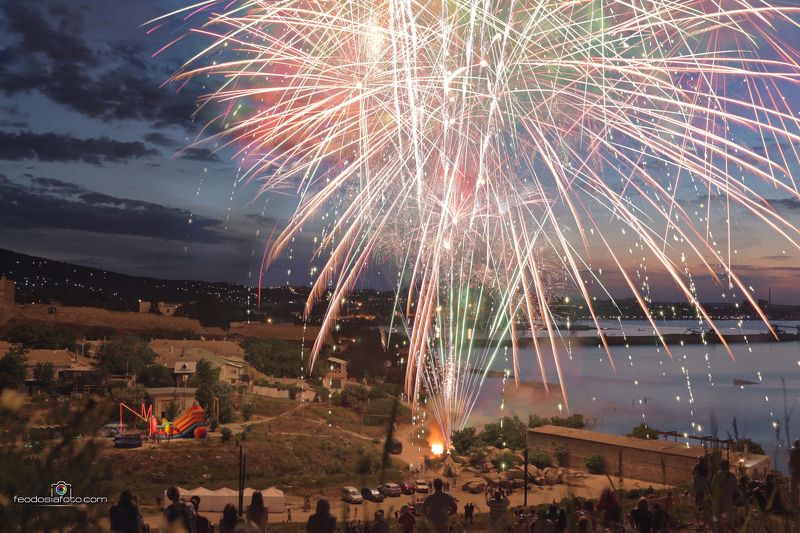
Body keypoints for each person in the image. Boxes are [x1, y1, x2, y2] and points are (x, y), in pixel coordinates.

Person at [711, 460, 738, 531]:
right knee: (729, 516)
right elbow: (735, 488)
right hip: (728, 499)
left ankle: (717, 529)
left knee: (716, 516)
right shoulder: (732, 476)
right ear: (728, 466)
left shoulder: (716, 475)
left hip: (718, 500)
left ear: (721, 466)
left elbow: (712, 487)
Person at [790, 439, 800, 506]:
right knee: (794, 490)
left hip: (795, 473)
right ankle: (795, 503)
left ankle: (795, 503)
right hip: (795, 473)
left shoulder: (793, 453)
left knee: (794, 489)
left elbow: (791, 464)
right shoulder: (793, 453)